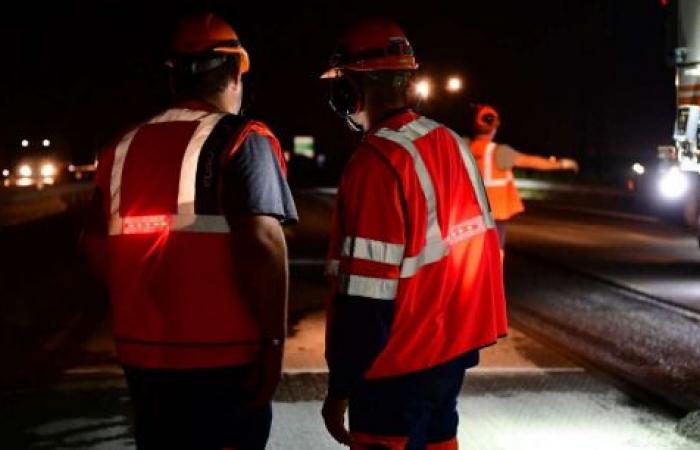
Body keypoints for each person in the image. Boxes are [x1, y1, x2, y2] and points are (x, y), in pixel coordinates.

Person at [82, 13, 297, 450]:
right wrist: (273, 342)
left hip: (143, 359)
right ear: (236, 74)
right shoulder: (244, 138)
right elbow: (262, 241)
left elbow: (93, 245)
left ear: (173, 78)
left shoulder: (120, 148)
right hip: (226, 360)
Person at [320, 19, 507, 450]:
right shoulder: (450, 142)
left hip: (395, 365)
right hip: (450, 354)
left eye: (340, 84)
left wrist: (341, 388)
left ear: (352, 88)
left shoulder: (376, 162)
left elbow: (366, 297)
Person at [467, 104, 579, 255]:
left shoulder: (463, 147)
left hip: (466, 215)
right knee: (494, 255)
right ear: (494, 127)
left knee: (469, 256)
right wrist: (560, 164)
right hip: (495, 215)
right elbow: (530, 161)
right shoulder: (499, 152)